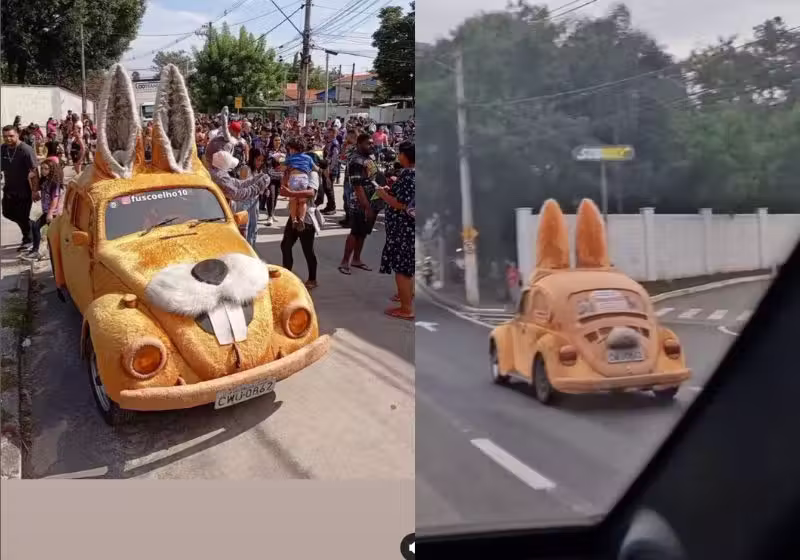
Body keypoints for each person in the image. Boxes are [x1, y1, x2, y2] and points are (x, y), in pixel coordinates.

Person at [375, 141, 415, 320]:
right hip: (407, 228)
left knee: (402, 269)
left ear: (406, 156)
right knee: (408, 267)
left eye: (400, 154)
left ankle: (406, 309)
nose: (398, 157)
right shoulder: (413, 174)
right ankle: (407, 295)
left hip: (404, 229)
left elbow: (401, 204)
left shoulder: (409, 175)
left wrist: (383, 195)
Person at [338, 133, 381, 275]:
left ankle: (356, 259)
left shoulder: (369, 157)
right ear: (359, 144)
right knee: (355, 232)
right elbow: (357, 185)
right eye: (368, 143)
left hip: (372, 199)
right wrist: (366, 206)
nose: (371, 145)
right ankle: (345, 262)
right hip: (359, 202)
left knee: (363, 232)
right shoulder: (356, 161)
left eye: (372, 143)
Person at [280, 155, 320, 291]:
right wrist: (286, 178)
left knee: (308, 250)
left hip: (307, 217)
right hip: (293, 216)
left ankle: (312, 279)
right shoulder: (292, 171)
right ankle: (287, 276)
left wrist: (291, 193)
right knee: (285, 246)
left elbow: (311, 192)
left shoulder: (312, 174)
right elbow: (283, 189)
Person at [1, 125, 39, 251]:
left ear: (17, 134)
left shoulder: (25, 150)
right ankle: (32, 227)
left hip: (24, 189)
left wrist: (34, 191)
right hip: (9, 188)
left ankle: (28, 239)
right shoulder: (3, 149)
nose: (8, 139)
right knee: (7, 213)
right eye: (5, 136)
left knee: (22, 215)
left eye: (11, 136)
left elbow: (34, 171)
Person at [26, 158, 64, 260]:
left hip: (54, 213)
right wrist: (30, 179)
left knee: (53, 235)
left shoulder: (54, 183)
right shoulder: (45, 181)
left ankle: (53, 253)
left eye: (46, 169)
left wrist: (50, 213)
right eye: (42, 168)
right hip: (46, 211)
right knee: (35, 226)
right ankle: (36, 250)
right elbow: (37, 193)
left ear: (51, 169)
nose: (43, 171)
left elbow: (55, 199)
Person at [238, 147, 269, 248]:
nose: (259, 162)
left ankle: (251, 249)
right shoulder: (245, 169)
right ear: (252, 158)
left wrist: (265, 190)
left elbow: (260, 189)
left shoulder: (258, 171)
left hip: (255, 202)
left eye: (261, 160)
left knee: (253, 227)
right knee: (244, 228)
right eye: (258, 159)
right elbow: (243, 187)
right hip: (244, 202)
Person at [284, 139, 314, 231]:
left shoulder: (291, 158)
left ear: (293, 149)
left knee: (293, 200)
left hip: (294, 178)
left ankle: (294, 220)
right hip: (304, 178)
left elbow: (284, 167)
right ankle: (301, 218)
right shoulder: (308, 158)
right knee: (302, 201)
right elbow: (313, 167)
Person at [264, 134, 286, 224]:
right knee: (271, 195)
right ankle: (269, 216)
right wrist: (274, 159)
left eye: (279, 140)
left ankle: (272, 213)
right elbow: (266, 162)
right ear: (272, 141)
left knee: (276, 195)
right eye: (276, 140)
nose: (278, 142)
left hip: (279, 176)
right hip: (270, 176)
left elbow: (285, 163)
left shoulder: (283, 151)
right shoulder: (268, 151)